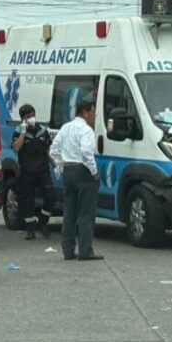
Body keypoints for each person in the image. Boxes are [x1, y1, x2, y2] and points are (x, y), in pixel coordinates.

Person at [50, 100, 103, 261]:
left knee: (69, 212)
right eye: (93, 112)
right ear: (85, 112)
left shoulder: (66, 128)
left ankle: (68, 250)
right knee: (86, 213)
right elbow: (87, 152)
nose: (94, 115)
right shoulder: (86, 130)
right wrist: (94, 172)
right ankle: (85, 250)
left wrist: (61, 166)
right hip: (83, 171)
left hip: (68, 170)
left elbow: (53, 151)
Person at [12, 104, 54, 240]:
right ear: (23, 119)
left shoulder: (43, 131)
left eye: (32, 115)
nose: (31, 118)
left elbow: (48, 151)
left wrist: (56, 164)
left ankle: (42, 222)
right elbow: (16, 148)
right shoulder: (18, 132)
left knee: (50, 197)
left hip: (43, 171)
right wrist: (23, 133)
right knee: (27, 201)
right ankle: (30, 229)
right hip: (27, 172)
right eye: (27, 117)